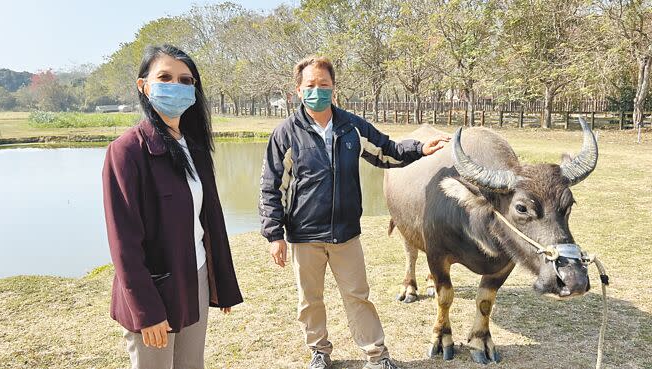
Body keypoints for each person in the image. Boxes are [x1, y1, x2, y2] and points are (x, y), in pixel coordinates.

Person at [259, 56, 449, 369]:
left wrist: (419, 148)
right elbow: (271, 186)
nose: (317, 91)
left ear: (333, 88)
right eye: (310, 86)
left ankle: (377, 355)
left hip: (345, 234)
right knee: (310, 300)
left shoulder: (351, 127)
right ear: (297, 90)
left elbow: (387, 150)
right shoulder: (286, 133)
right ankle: (319, 351)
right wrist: (273, 234)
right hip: (304, 236)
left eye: (324, 85)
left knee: (358, 296)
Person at [102, 44, 243, 369]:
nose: (176, 86)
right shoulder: (126, 152)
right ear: (144, 85)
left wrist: (220, 281)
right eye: (165, 77)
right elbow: (124, 245)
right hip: (154, 289)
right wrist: (146, 311)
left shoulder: (195, 150)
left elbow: (210, 221)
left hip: (194, 279)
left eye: (186, 80)